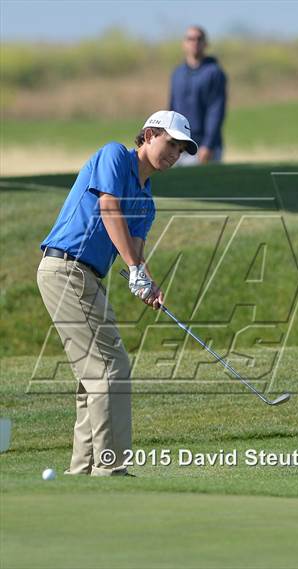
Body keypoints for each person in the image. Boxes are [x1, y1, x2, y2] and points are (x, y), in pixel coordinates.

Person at [37, 111, 198, 476]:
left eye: (182, 150)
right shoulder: (114, 155)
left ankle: (83, 470)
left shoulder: (147, 201)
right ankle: (111, 469)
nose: (175, 154)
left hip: (86, 276)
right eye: (171, 143)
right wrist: (137, 270)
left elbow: (135, 253)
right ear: (149, 135)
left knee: (94, 375)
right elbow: (108, 207)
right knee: (111, 367)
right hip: (66, 268)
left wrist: (147, 281)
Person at [169, 26, 227, 165]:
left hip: (203, 147)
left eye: (199, 39)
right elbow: (172, 108)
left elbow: (216, 111)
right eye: (190, 39)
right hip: (179, 145)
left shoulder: (214, 72)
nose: (194, 42)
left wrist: (208, 144)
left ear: (205, 44)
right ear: (184, 44)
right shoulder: (177, 73)